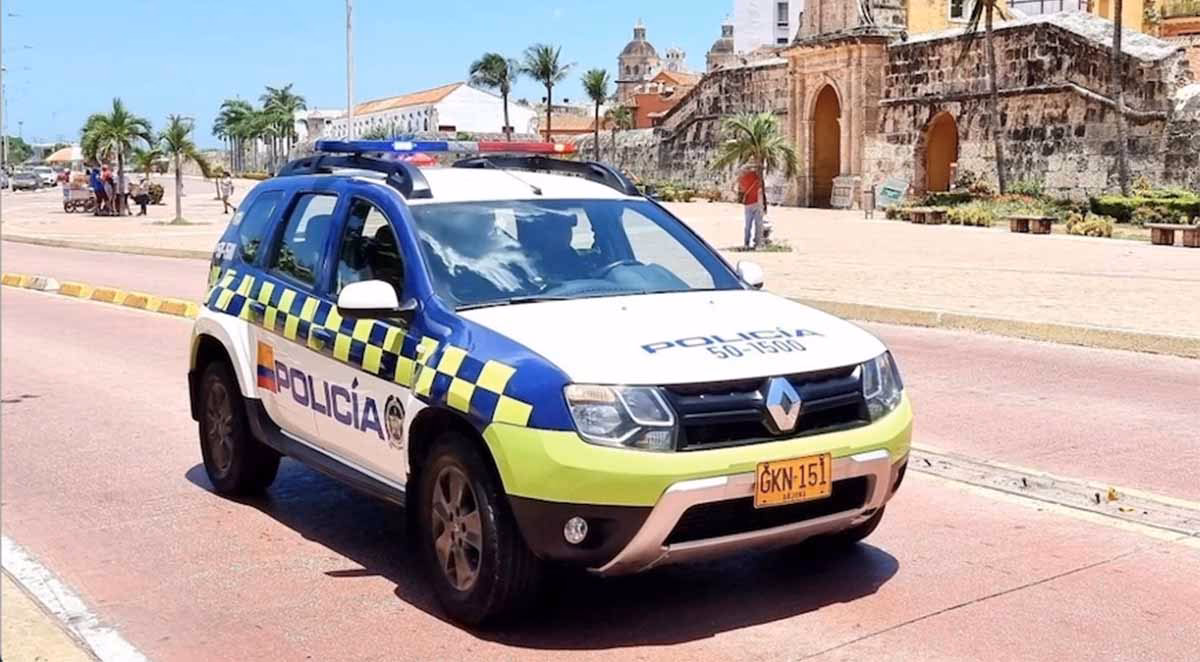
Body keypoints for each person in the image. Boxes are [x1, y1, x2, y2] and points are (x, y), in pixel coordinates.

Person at [737, 166, 765, 249]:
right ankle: (758, 243)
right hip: (757, 202)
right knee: (758, 224)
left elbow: (742, 190)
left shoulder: (742, 179)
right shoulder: (757, 177)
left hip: (747, 204)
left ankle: (746, 243)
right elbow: (761, 190)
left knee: (748, 225)